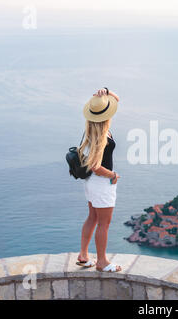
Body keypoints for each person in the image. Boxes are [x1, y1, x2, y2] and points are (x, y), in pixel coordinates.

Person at [76, 87, 122, 272]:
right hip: (102, 183)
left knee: (93, 218)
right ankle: (102, 262)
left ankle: (84, 256)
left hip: (92, 183)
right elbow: (96, 166)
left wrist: (106, 91)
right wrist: (112, 175)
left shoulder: (92, 128)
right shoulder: (102, 135)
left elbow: (117, 100)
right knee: (104, 223)